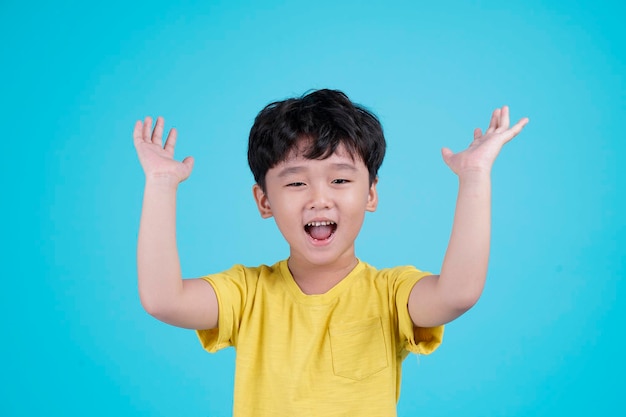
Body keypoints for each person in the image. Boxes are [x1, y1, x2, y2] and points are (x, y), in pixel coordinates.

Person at [132, 89, 529, 416]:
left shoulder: (390, 293)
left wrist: (475, 176)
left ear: (371, 193)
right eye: (295, 184)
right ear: (264, 201)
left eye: (339, 179)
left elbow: (458, 293)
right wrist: (162, 184)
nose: (319, 199)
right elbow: (163, 300)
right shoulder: (246, 294)